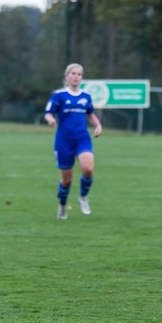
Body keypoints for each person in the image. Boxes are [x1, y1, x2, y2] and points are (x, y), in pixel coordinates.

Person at [43, 63, 102, 219]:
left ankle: (83, 197)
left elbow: (90, 114)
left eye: (79, 74)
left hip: (82, 139)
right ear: (67, 76)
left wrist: (98, 126)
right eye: (73, 74)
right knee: (67, 180)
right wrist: (50, 120)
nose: (76, 77)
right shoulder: (59, 95)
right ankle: (62, 205)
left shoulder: (86, 97)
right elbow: (48, 113)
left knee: (88, 169)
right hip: (64, 141)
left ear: (81, 77)